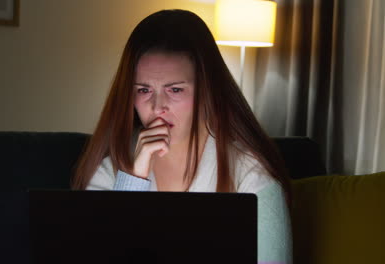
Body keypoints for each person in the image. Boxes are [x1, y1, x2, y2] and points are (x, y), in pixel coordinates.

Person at [71, 9, 292, 263]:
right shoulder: (113, 170)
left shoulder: (251, 176)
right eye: (144, 90)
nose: (157, 107)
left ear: (206, 92)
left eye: (175, 89)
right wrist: (133, 182)